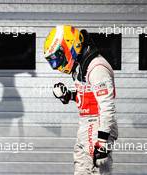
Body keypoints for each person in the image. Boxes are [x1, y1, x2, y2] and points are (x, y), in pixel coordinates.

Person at [44, 25, 118, 175]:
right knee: (81, 170)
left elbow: (107, 106)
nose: (57, 64)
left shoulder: (96, 67)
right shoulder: (81, 66)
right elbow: (88, 97)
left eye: (58, 57)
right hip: (87, 125)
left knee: (96, 172)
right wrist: (68, 96)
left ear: (70, 45)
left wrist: (102, 142)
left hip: (97, 126)